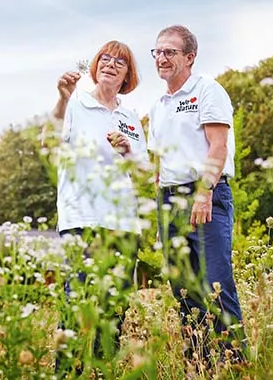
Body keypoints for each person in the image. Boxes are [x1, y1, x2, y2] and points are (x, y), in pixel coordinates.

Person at [147, 25, 245, 363]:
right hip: (169, 200)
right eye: (157, 52)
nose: (161, 58)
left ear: (190, 57)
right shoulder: (158, 105)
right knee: (183, 287)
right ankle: (200, 362)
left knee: (215, 282)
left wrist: (204, 193)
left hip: (205, 195)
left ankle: (234, 362)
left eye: (169, 52)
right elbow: (158, 160)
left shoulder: (207, 91)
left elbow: (218, 146)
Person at [51, 40, 147, 371]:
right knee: (76, 307)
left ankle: (105, 372)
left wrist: (128, 153)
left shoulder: (130, 118)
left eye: (118, 62)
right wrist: (63, 98)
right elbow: (51, 135)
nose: (109, 64)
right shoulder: (75, 105)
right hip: (82, 218)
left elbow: (144, 172)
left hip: (123, 223)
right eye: (104, 59)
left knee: (112, 313)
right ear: (95, 67)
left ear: (127, 75)